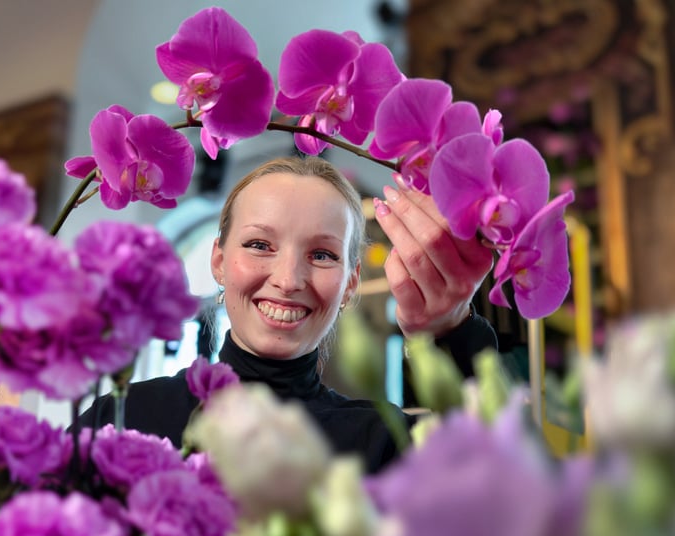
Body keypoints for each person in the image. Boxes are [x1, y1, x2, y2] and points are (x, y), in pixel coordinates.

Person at [80, 156, 496, 473]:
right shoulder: (123, 420)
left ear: (350, 284)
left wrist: (449, 331)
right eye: (260, 245)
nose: (289, 279)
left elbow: (501, 512)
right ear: (220, 262)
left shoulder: (381, 445)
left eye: (321, 254)